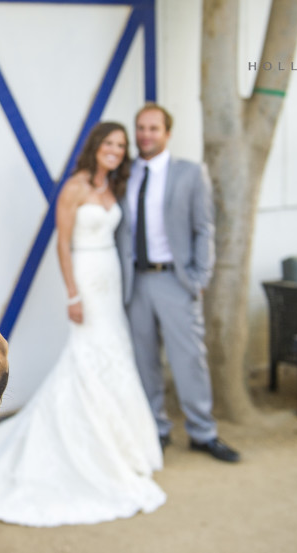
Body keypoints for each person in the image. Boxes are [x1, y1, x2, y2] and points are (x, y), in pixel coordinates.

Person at [0, 122, 165, 527]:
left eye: (120, 145)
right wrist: (73, 294)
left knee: (115, 350)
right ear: (96, 147)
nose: (115, 150)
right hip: (87, 276)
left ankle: (123, 443)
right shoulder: (75, 186)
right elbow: (63, 243)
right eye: (109, 143)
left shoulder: (115, 186)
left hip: (111, 278)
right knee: (89, 352)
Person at [125, 103, 240, 463]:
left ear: (167, 133)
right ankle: (157, 429)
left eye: (153, 128)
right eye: (141, 128)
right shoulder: (124, 174)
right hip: (135, 284)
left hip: (175, 280)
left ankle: (203, 432)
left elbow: (204, 228)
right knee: (145, 362)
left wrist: (199, 278)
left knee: (189, 359)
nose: (146, 135)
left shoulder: (190, 173)